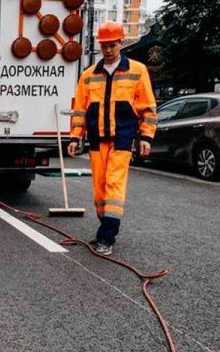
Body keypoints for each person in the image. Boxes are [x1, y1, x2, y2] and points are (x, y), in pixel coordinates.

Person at [66, 21, 157, 256]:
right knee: (99, 191)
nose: (108, 50)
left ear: (121, 43)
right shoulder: (89, 75)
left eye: (112, 45)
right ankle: (104, 227)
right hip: (97, 140)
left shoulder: (137, 71)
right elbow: (80, 111)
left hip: (123, 139)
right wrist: (76, 138)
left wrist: (146, 137)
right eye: (104, 46)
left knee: (114, 186)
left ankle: (107, 236)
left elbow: (147, 108)